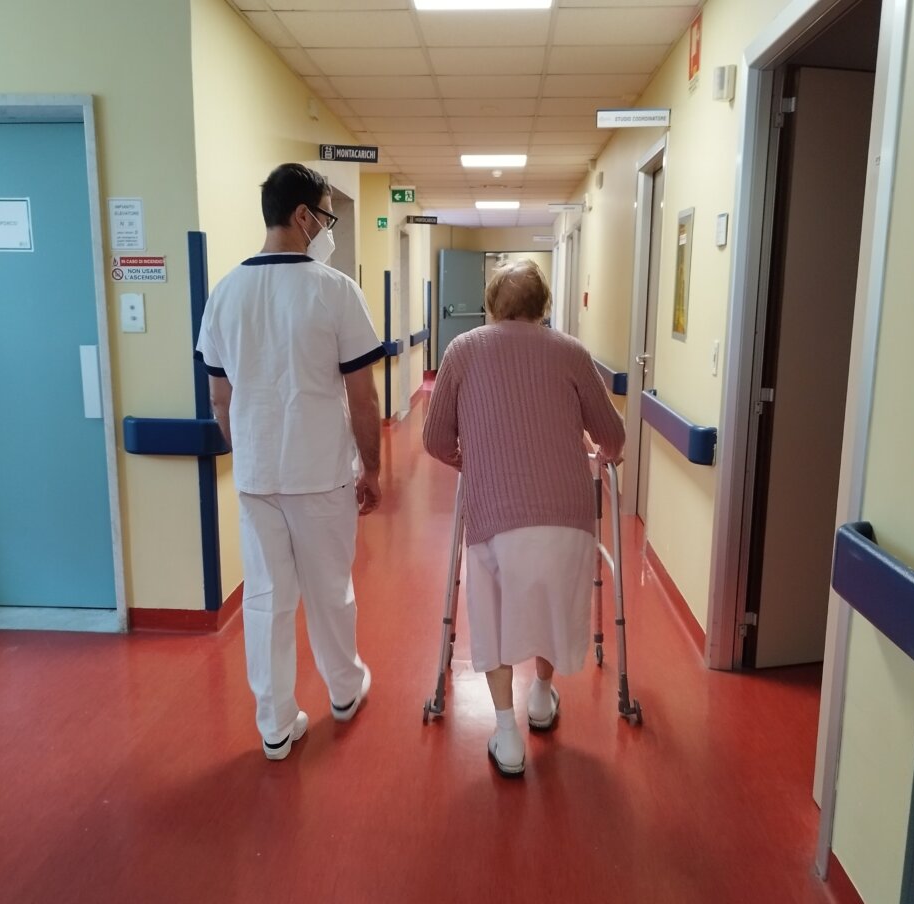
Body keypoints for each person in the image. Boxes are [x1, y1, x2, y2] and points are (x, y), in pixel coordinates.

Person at [196, 163, 385, 761]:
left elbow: (219, 397)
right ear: (303, 216)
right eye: (326, 217)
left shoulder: (225, 293)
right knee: (331, 590)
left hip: (257, 478)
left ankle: (275, 726)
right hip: (321, 473)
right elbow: (363, 396)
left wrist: (248, 451)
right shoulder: (336, 291)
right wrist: (373, 469)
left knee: (266, 599)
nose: (327, 229)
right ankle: (344, 691)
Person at [422, 259, 625, 777]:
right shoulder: (571, 352)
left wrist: (470, 459)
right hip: (567, 515)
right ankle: (541, 695)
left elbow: (435, 439)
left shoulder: (462, 350)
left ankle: (507, 736)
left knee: (493, 614)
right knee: (552, 600)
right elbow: (613, 435)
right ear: (544, 306)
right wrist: (604, 454)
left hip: (494, 513)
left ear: (490, 305)